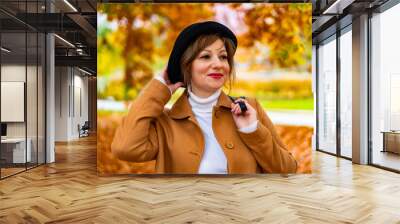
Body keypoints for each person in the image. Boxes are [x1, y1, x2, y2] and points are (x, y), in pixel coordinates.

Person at [111, 21, 297, 174]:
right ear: (187, 65)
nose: (218, 64)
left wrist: (252, 131)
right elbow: (125, 148)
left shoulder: (249, 108)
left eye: (223, 57)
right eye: (206, 56)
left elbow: (288, 169)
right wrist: (159, 89)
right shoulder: (164, 122)